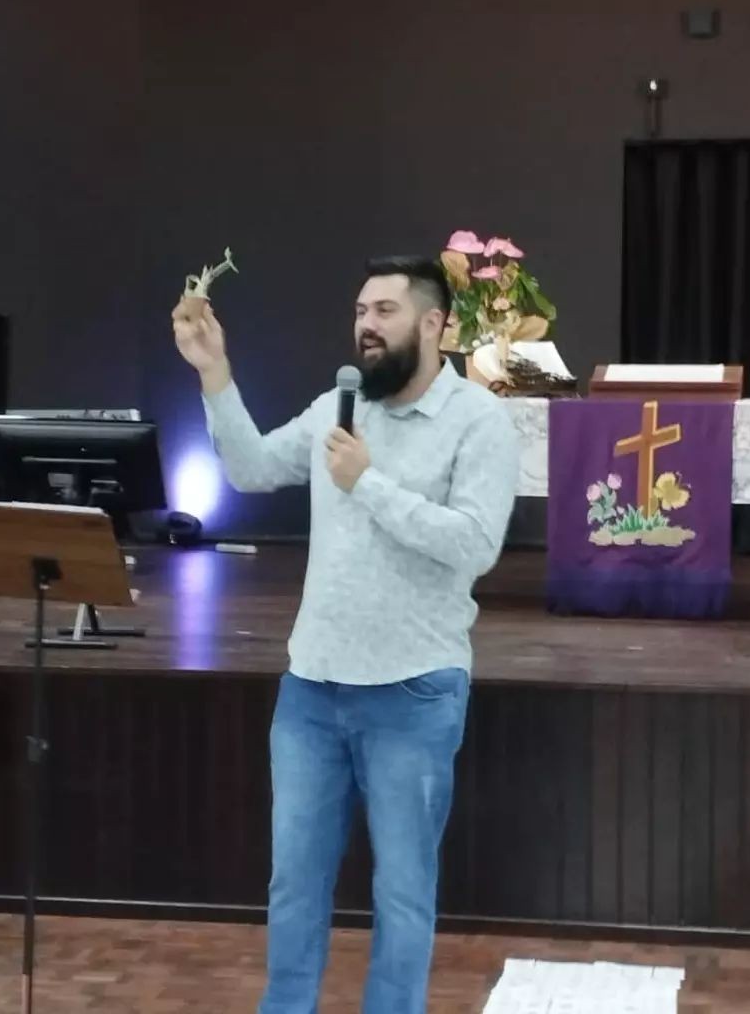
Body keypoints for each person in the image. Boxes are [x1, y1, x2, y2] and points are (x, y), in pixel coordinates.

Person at [172, 255, 519, 1013]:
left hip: (413, 690)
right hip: (312, 690)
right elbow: (252, 468)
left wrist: (368, 482)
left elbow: (474, 545)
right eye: (361, 311)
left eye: (385, 311)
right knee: (294, 883)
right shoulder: (339, 404)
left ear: (433, 324)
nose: (366, 325)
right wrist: (213, 372)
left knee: (403, 892)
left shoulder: (479, 420)